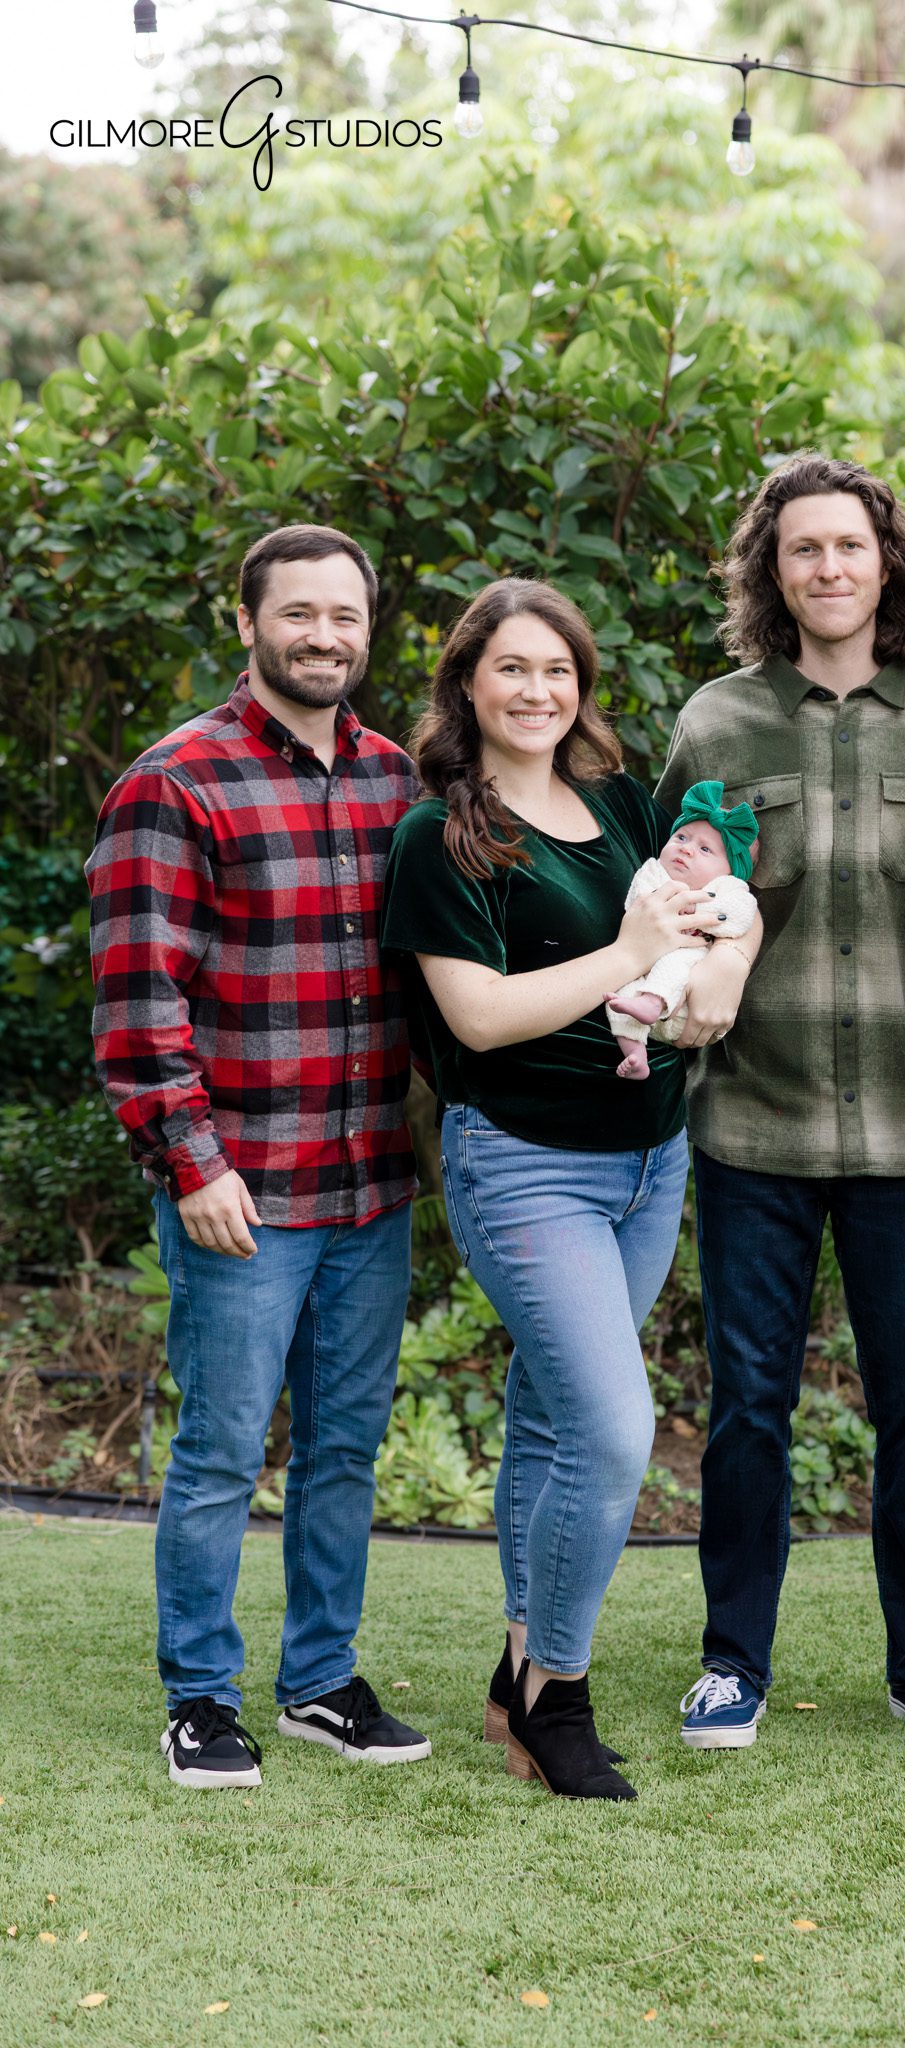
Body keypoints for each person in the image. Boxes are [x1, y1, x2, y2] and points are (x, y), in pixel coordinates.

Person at [86, 524, 431, 1788]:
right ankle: (201, 1695)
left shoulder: (398, 780)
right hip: (244, 1189)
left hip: (369, 1185)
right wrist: (193, 1162)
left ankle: (322, 1680)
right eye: (298, 613)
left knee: (345, 1445)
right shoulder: (174, 781)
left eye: (345, 614)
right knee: (224, 1448)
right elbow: (138, 1001)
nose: (323, 634)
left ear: (367, 627)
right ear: (248, 622)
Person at [655, 453, 905, 1753]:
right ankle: (731, 1660)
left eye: (850, 546)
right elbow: (680, 908)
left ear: (888, 562)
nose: (829, 568)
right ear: (770, 570)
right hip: (752, 1128)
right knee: (747, 1406)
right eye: (802, 549)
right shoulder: (718, 723)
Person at [381, 577, 727, 1801]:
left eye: (558, 669)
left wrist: (695, 977)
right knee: (613, 1428)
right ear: (467, 683)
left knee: (547, 1416)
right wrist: (630, 956)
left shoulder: (625, 803)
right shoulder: (442, 837)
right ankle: (560, 1695)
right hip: (523, 1161)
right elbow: (475, 1015)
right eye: (512, 668)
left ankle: (514, 1672)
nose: (538, 691)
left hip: (649, 1156)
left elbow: (699, 927)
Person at [606, 780, 759, 1079]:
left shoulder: (728, 887)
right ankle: (635, 1055)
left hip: (691, 984)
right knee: (618, 993)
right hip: (643, 969)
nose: (686, 850)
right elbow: (637, 899)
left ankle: (653, 1003)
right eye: (681, 837)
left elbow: (740, 916)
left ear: (730, 869)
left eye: (704, 849)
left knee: (676, 962)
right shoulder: (654, 871)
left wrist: (698, 910)